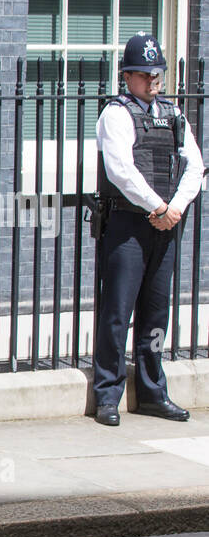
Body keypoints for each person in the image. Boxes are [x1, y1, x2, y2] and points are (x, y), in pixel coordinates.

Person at [94, 32, 205, 427]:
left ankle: (154, 392)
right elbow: (120, 170)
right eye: (144, 74)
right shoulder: (116, 113)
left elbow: (195, 166)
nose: (153, 80)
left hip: (165, 223)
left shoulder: (173, 114)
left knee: (157, 314)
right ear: (127, 76)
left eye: (157, 73)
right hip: (128, 223)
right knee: (117, 312)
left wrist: (173, 208)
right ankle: (108, 395)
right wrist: (157, 205)